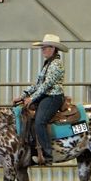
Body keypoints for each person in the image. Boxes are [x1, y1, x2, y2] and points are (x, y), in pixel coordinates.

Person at [13, 34, 68, 164]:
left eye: (45, 47)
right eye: (42, 47)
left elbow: (47, 85)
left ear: (53, 48)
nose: (42, 50)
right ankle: (30, 147)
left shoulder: (56, 64)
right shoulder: (48, 64)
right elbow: (38, 84)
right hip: (46, 95)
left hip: (53, 97)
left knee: (40, 121)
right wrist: (23, 96)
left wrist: (32, 98)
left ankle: (47, 153)